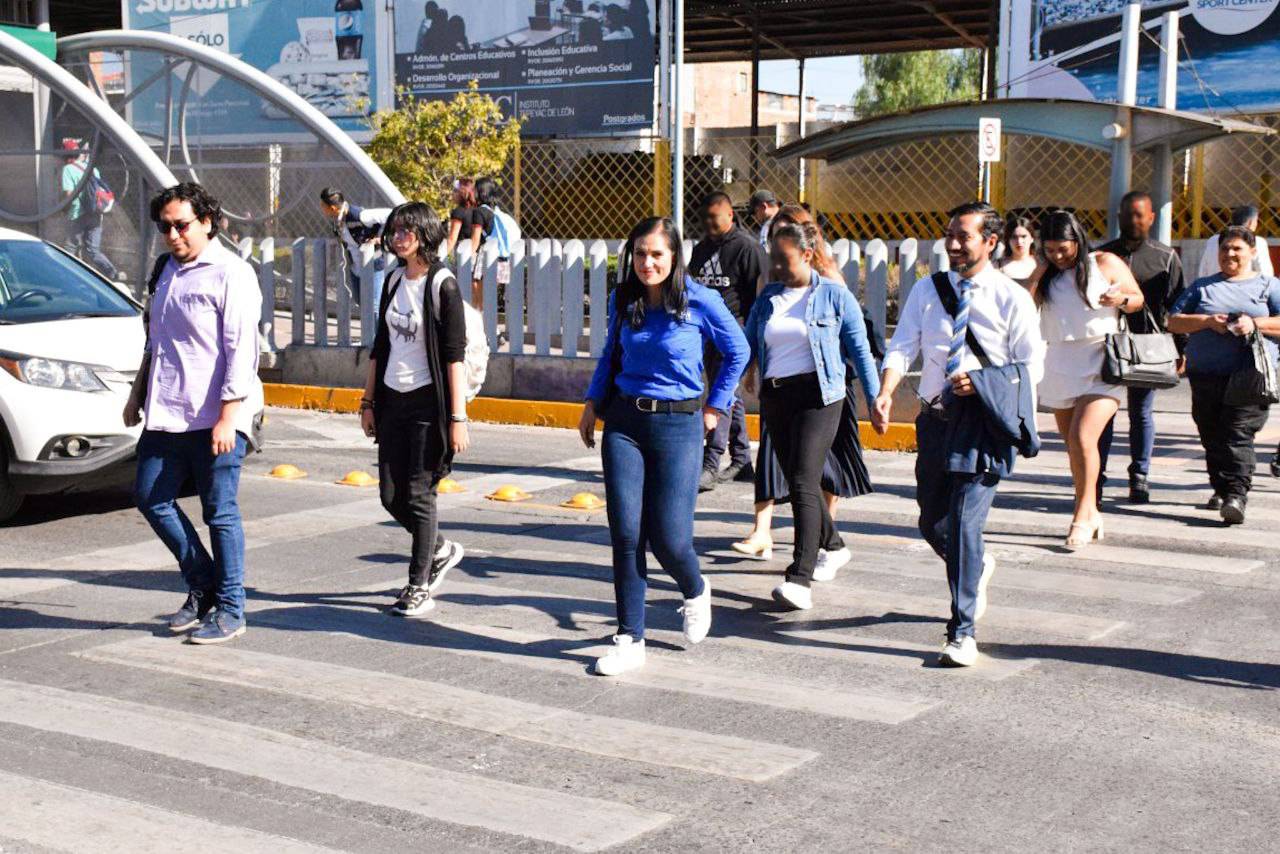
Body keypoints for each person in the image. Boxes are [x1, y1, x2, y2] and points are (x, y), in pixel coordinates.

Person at [872, 202, 1045, 668]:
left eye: (963, 236)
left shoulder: (1012, 298)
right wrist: (885, 391)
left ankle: (962, 632)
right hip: (935, 419)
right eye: (949, 234)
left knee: (967, 524)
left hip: (982, 424)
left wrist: (984, 382)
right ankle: (976, 564)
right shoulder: (928, 290)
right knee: (933, 523)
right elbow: (903, 345)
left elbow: (1031, 366)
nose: (952, 244)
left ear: (990, 242)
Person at [578, 216, 748, 676]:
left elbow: (739, 351)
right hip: (625, 424)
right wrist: (592, 402)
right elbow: (611, 354)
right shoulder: (623, 298)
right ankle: (629, 638)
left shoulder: (700, 300)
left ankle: (695, 589)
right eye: (639, 254)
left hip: (679, 425)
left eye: (656, 254)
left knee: (670, 540)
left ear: (674, 256)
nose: (647, 263)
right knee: (626, 535)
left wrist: (716, 406)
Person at [122, 182, 264, 644]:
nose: (172, 235)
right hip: (167, 411)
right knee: (150, 496)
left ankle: (232, 608)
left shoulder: (231, 273)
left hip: (217, 416)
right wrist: (137, 395)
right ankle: (202, 583)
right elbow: (156, 341)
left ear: (207, 221)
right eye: (164, 227)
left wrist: (228, 415)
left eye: (181, 226)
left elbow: (242, 350)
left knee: (219, 512)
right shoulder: (165, 269)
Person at [732, 204, 876, 584]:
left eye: (784, 259)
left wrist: (877, 398)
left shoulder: (833, 293)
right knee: (801, 482)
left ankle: (799, 576)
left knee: (801, 479)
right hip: (777, 397)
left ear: (807, 254)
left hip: (820, 395)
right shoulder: (769, 297)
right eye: (773, 258)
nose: (776, 266)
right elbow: (746, 346)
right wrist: (723, 391)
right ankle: (835, 545)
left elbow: (860, 349)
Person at [360, 202, 470, 617]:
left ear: (425, 233)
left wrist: (457, 418)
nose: (398, 238)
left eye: (407, 230)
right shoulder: (392, 279)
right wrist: (368, 401)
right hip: (392, 399)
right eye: (395, 231)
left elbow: (454, 357)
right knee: (391, 496)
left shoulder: (443, 284)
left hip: (428, 402)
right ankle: (439, 548)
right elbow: (380, 345)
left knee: (420, 495)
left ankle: (418, 584)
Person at [1032, 210, 1145, 550]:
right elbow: (1023, 302)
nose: (1058, 256)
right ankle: (1092, 511)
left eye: (1063, 249)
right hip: (1059, 360)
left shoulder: (1104, 262)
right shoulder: (1046, 272)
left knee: (1083, 437)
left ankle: (1081, 514)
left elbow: (1138, 299)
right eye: (1050, 250)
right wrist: (1038, 269)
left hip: (1101, 360)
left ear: (1078, 240)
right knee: (1074, 447)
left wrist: (1120, 300)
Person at [1168, 226, 1280, 525]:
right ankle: (1221, 488)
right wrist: (1207, 321)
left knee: (1237, 434)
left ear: (1252, 252)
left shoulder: (1269, 286)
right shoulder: (1202, 287)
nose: (1229, 254)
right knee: (1212, 435)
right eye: (1224, 248)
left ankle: (1236, 495)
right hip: (1206, 374)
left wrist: (1254, 324)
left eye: (1236, 248)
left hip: (1250, 375)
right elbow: (1174, 321)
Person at [1096, 191, 1187, 504]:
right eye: (1127, 214)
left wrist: (1181, 348)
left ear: (1151, 218)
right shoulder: (1102, 255)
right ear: (1118, 216)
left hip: (1148, 345)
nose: (1132, 220)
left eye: (1139, 215)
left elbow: (1177, 305)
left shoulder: (1165, 257)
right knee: (1102, 411)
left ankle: (1139, 476)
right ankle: (1096, 476)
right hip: (1106, 344)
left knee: (1141, 413)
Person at [688, 191, 768, 491]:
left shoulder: (746, 248)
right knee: (727, 393)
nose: (709, 223)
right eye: (705, 218)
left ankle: (710, 463)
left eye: (715, 217)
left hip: (734, 331)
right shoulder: (701, 250)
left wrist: (752, 338)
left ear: (730, 215)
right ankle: (742, 459)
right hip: (705, 332)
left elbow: (759, 295)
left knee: (720, 395)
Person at [320, 187, 391, 306]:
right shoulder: (337, 219)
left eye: (323, 206)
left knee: (374, 305)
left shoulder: (361, 215)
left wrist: (381, 238)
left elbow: (391, 214)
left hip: (373, 265)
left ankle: (378, 319)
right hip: (356, 267)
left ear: (332, 208)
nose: (321, 209)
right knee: (360, 301)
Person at [60, 138, 119, 281]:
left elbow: (69, 194)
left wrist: (62, 208)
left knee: (70, 247)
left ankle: (65, 279)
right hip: (95, 213)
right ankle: (113, 273)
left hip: (77, 213)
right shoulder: (92, 168)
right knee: (93, 249)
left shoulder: (68, 169)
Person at [1198, 205, 1273, 281]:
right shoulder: (1258, 242)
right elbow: (1265, 273)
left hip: (1212, 285)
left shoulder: (1212, 240)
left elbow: (1203, 269)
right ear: (1251, 222)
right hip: (1244, 286)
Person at [996, 215, 1037, 288]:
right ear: (1008, 240)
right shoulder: (997, 265)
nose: (1019, 241)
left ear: (1032, 238)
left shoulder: (1040, 264)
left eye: (1023, 236)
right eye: (1014, 237)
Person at [447, 178, 479, 258]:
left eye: (455, 191)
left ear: (462, 193)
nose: (452, 194)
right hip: (476, 254)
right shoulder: (477, 210)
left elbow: (452, 238)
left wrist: (441, 257)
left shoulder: (459, 212)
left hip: (462, 254)